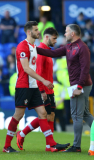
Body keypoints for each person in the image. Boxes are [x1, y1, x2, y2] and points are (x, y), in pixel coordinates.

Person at [3, 21, 70, 153]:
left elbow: (48, 53)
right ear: (29, 32)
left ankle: (51, 143)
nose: (39, 32)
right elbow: (26, 69)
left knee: (43, 113)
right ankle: (6, 146)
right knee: (18, 115)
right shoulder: (22, 46)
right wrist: (43, 81)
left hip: (33, 86)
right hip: (24, 86)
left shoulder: (34, 46)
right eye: (36, 30)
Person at [36, 24, 94, 152]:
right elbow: (51, 53)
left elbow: (85, 69)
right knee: (85, 114)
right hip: (77, 85)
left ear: (73, 34)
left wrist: (78, 87)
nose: (65, 34)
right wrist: (34, 49)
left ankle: (76, 146)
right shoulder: (69, 47)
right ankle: (78, 145)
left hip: (82, 85)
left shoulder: (82, 47)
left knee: (77, 116)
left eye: (66, 32)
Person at [16, 27, 59, 151]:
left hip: (49, 89)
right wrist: (42, 90)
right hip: (43, 89)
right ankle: (22, 134)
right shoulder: (40, 53)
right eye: (54, 38)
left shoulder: (47, 51)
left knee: (50, 116)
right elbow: (37, 72)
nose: (56, 41)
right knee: (44, 115)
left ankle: (49, 145)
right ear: (47, 37)